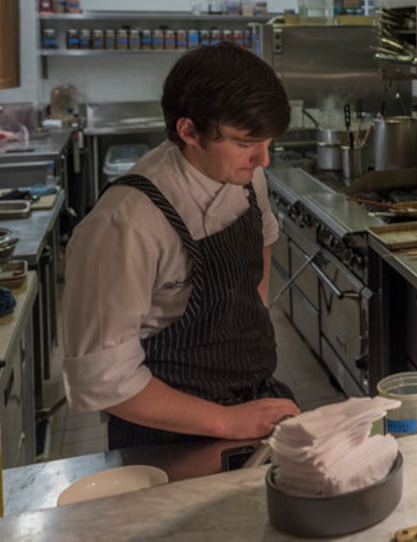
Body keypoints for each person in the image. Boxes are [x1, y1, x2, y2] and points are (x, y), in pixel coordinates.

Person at [61, 43, 301, 449]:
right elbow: (105, 379)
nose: (263, 159)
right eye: (246, 143)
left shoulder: (246, 177)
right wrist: (229, 422)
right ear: (189, 131)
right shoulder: (124, 224)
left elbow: (264, 238)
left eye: (269, 141)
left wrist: (246, 323)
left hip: (253, 399)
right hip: (167, 433)